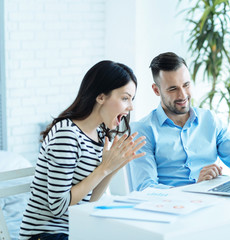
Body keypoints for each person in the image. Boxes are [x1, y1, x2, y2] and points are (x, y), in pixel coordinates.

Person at [19, 61, 146, 240]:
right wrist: (104, 168)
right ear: (101, 97)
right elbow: (59, 207)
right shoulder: (67, 134)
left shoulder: (100, 134)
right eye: (125, 98)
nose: (131, 106)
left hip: (75, 231)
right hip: (45, 235)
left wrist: (114, 166)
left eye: (132, 99)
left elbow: (89, 201)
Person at [128, 52, 230, 191]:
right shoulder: (142, 131)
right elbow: (146, 188)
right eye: (173, 89)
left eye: (186, 85)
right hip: (172, 208)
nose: (183, 95)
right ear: (156, 90)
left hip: (213, 201)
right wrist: (195, 188)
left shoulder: (209, 119)